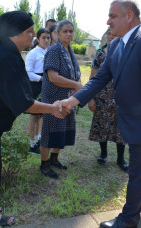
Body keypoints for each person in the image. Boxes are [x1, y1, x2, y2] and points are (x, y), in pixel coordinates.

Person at [61, 0, 141, 227]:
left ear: (129, 16)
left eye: (112, 16)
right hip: (130, 120)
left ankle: (128, 220)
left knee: (137, 173)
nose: (108, 21)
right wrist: (73, 99)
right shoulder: (118, 45)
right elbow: (100, 78)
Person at [0, 11, 67, 226]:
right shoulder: (5, 57)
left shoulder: (6, 52)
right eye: (29, 31)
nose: (33, 36)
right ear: (13, 34)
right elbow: (24, 103)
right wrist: (53, 108)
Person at [40, 20, 82, 179]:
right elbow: (53, 77)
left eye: (71, 31)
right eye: (65, 31)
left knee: (62, 128)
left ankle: (54, 159)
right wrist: (76, 85)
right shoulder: (54, 50)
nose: (69, 34)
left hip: (67, 98)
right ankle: (44, 164)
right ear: (57, 34)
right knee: (50, 130)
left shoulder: (69, 50)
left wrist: (74, 88)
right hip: (53, 98)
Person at [88, 29, 128, 172]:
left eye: (115, 35)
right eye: (109, 35)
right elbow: (93, 77)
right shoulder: (99, 54)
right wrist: (90, 98)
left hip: (121, 97)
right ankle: (103, 154)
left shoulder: (125, 52)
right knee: (102, 125)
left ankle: (121, 159)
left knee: (121, 128)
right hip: (102, 97)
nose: (112, 37)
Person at [25, 28, 51, 154]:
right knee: (34, 116)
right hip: (35, 86)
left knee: (41, 115)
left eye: (48, 38)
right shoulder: (33, 53)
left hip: (45, 86)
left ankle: (37, 141)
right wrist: (42, 78)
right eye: (44, 38)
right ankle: (29, 143)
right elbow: (28, 72)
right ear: (38, 39)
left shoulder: (49, 52)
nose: (46, 40)